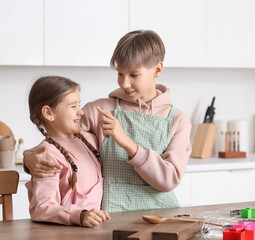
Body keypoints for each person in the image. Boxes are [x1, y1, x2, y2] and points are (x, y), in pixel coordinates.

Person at [24, 30, 192, 213]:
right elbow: (58, 138)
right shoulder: (100, 111)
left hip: (161, 215)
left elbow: (169, 180)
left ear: (157, 69)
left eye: (134, 75)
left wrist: (128, 144)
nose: (124, 83)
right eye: (120, 74)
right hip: (111, 216)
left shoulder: (177, 120)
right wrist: (29, 157)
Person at [26, 76, 110, 227]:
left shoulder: (90, 140)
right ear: (48, 113)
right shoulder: (47, 154)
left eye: (80, 105)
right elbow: (42, 208)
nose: (81, 112)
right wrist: (79, 215)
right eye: (73, 106)